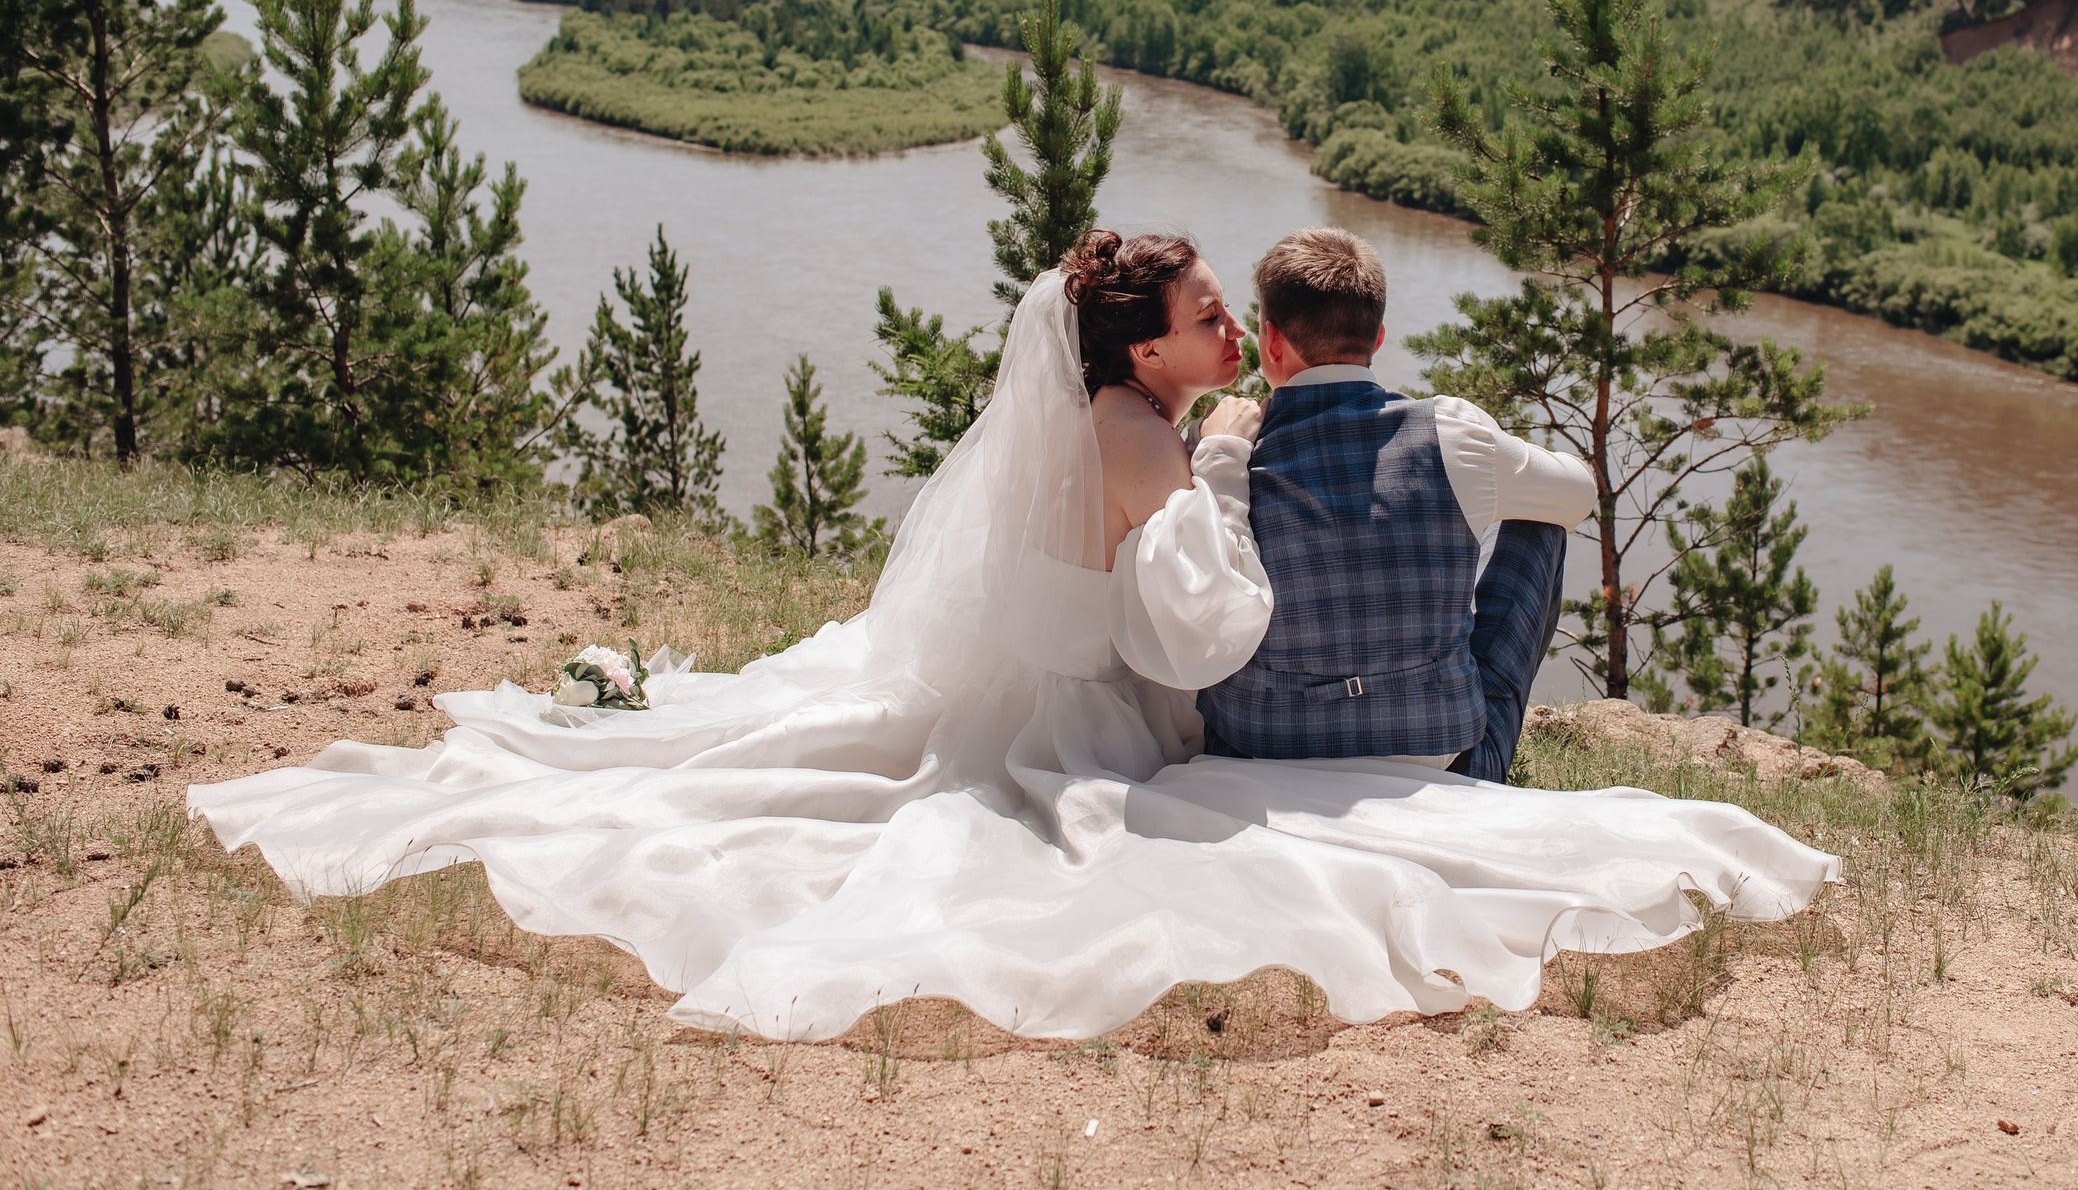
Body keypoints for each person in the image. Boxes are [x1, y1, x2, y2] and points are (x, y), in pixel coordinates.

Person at [190, 232, 1837, 1045]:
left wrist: (1245, 480)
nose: (1214, 333)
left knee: (795, 747)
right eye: (1196, 318)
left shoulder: (1135, 422)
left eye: (1223, 316)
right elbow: (1193, 646)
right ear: (1148, 340)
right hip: (1099, 729)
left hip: (1053, 682)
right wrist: (1245, 520)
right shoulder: (1162, 443)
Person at [1197, 228, 1587, 783]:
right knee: (1541, 518)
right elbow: (1579, 494)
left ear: (1272, 341)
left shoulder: (1227, 448)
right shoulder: (1450, 431)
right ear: (1378, 337)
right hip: (1452, 761)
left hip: (1257, 752)